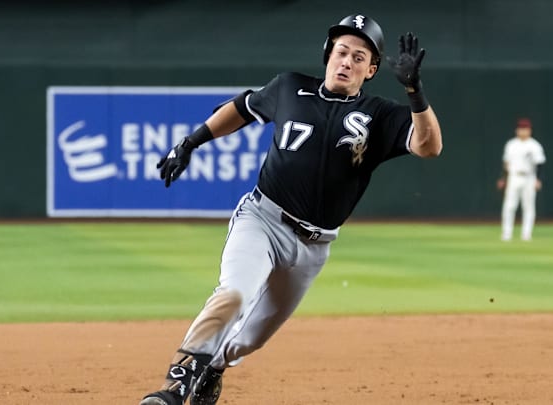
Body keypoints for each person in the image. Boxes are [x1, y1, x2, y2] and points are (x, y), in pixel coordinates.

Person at [140, 14, 443, 405]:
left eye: (358, 56)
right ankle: (177, 386)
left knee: (250, 338)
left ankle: (213, 368)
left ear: (370, 70)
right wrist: (191, 142)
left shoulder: (380, 114)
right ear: (327, 55)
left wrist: (414, 91)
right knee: (233, 293)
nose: (346, 61)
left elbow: (429, 146)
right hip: (263, 220)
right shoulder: (290, 88)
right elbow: (243, 107)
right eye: (341, 51)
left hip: (313, 247)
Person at [497, 117, 546, 241]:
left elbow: (540, 164)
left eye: (525, 129)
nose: (523, 131)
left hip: (529, 177)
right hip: (514, 177)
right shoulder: (511, 145)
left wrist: (538, 180)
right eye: (521, 129)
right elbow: (506, 163)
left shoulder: (534, 146)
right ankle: (506, 234)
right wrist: (503, 178)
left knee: (528, 207)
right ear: (517, 130)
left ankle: (526, 234)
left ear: (529, 130)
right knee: (509, 206)